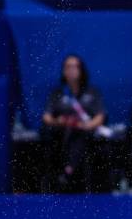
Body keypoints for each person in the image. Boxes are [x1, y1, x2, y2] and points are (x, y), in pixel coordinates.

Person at [41, 54, 107, 192]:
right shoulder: (57, 93)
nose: (71, 70)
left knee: (80, 135)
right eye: (67, 67)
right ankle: (65, 172)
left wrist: (86, 125)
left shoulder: (92, 92)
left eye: (74, 67)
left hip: (85, 133)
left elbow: (100, 116)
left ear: (81, 70)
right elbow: (46, 117)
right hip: (62, 133)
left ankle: (68, 172)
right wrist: (58, 121)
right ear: (63, 71)